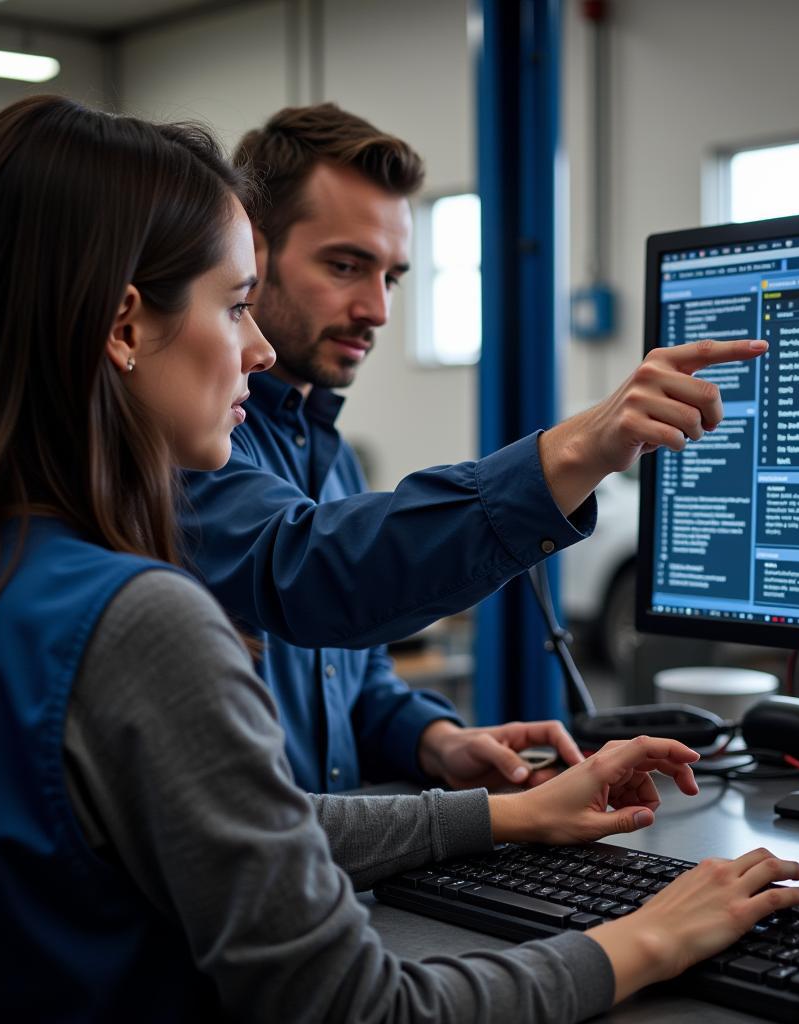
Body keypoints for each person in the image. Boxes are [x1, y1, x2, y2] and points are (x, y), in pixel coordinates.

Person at [0, 94, 799, 1022]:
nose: (256, 349)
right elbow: (361, 1009)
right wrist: (644, 937)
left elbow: (229, 823)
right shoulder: (135, 613)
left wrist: (490, 806)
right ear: (123, 327)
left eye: (392, 274)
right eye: (237, 302)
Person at [182, 103, 766, 793]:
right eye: (345, 266)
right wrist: (576, 450)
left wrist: (436, 740)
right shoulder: (190, 443)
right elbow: (311, 572)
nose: (379, 309)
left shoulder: (326, 449)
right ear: (254, 254)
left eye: (392, 277)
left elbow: (354, 675)